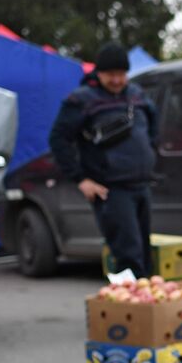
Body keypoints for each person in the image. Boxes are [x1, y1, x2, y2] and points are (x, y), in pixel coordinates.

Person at [49, 44, 159, 277]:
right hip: (111, 190)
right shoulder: (81, 100)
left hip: (141, 184)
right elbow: (58, 140)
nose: (117, 80)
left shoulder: (137, 95)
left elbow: (153, 125)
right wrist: (81, 179)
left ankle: (145, 306)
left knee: (145, 255)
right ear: (98, 73)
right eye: (111, 75)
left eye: (121, 74)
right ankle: (130, 308)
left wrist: (150, 152)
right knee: (129, 255)